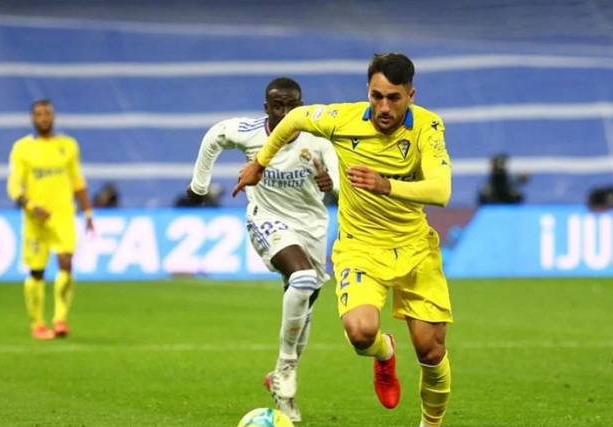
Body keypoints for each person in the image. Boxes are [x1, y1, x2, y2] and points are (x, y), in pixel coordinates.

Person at [233, 54, 453, 427]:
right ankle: (385, 354)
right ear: (367, 91)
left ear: (410, 95)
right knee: (360, 333)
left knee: (431, 352)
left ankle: (430, 425)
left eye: (394, 98)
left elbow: (441, 190)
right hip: (359, 247)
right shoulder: (342, 119)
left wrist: (387, 185)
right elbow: (294, 119)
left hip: (415, 246)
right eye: (376, 96)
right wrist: (261, 161)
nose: (384, 107)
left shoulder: (428, 127)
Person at [186, 77, 339, 422]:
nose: (285, 112)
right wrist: (199, 185)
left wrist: (332, 186)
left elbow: (342, 186)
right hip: (266, 218)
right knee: (301, 277)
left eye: (292, 105)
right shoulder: (247, 131)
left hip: (312, 225)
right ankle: (286, 368)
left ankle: (280, 380)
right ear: (266, 108)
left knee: (305, 304)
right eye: (277, 105)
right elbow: (214, 137)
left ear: (301, 106)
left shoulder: (318, 140)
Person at [6, 99, 94, 340]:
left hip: (63, 216)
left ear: (53, 118)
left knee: (66, 263)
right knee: (37, 272)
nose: (43, 118)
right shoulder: (22, 148)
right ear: (32, 119)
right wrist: (32, 207)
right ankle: (37, 323)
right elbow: (14, 187)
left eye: (47, 114)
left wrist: (88, 213)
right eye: (39, 114)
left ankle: (60, 319)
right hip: (35, 221)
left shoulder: (68, 146)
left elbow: (77, 181)